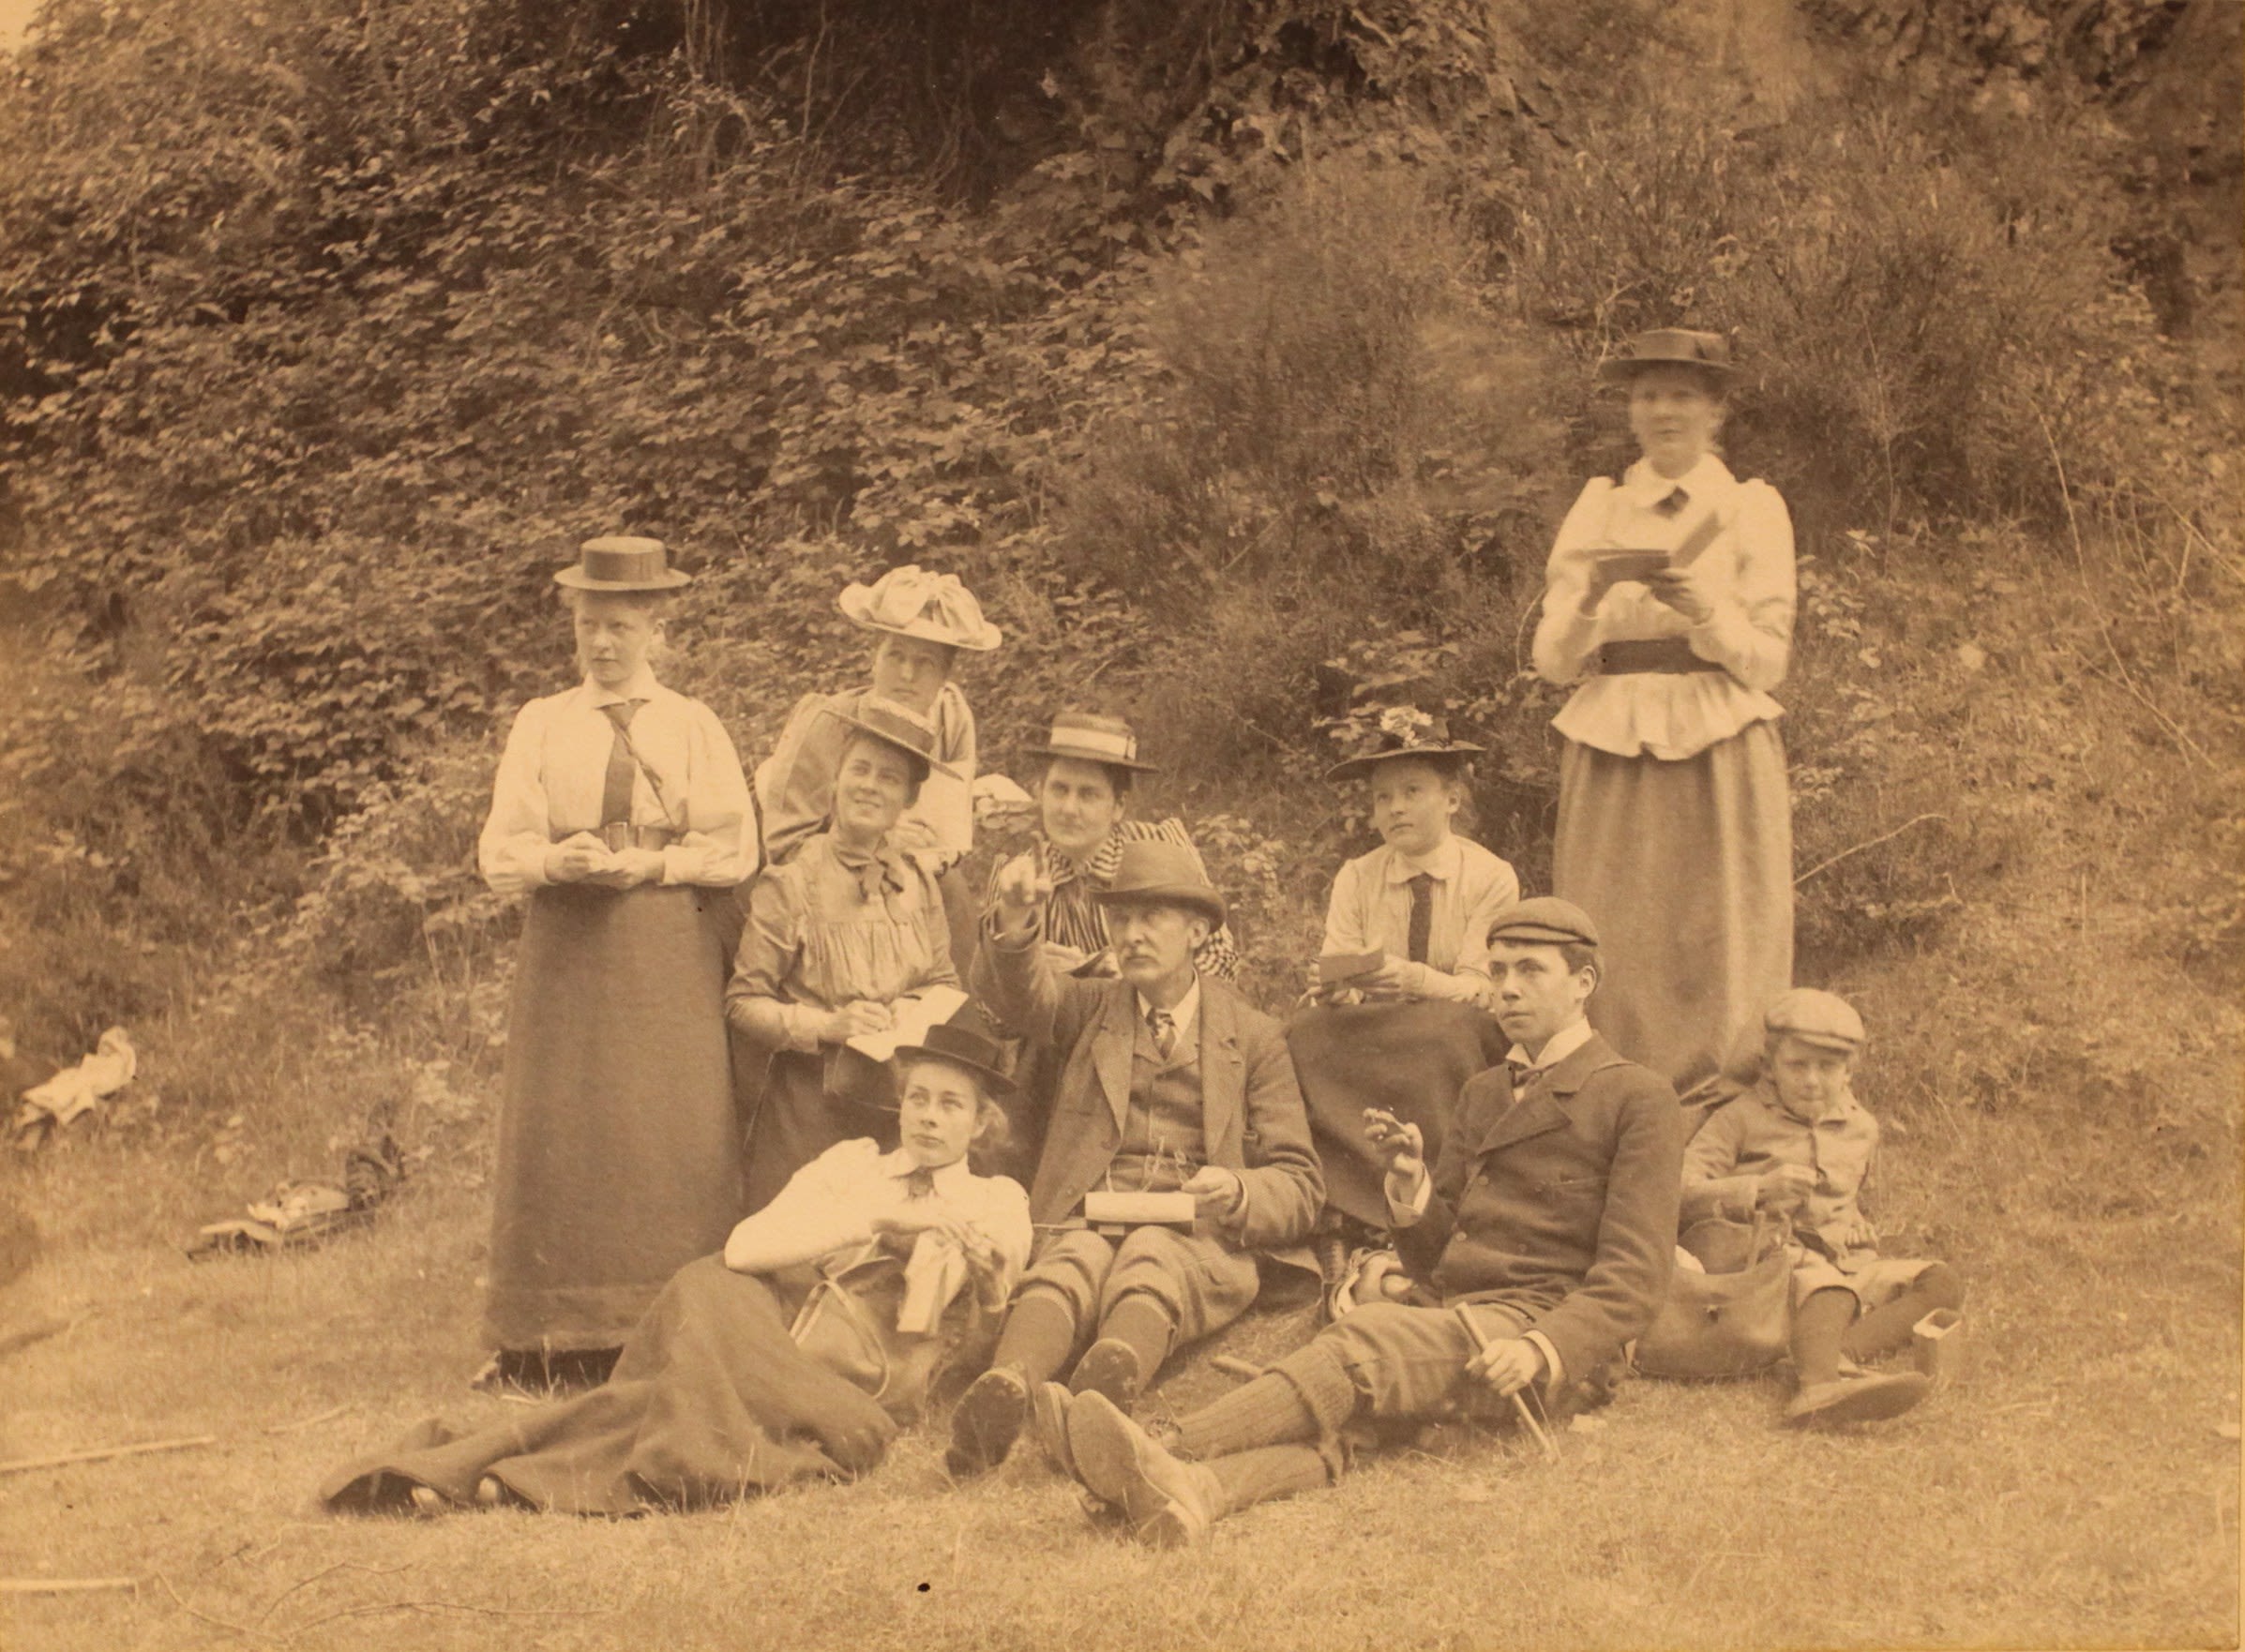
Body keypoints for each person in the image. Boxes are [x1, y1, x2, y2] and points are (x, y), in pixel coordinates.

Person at [1039, 899, 1682, 1546]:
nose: (1507, 988)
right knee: (1340, 1422)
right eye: (1498, 970)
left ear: (1584, 983)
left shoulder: (1636, 1097)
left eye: (1531, 971)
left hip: (1540, 1343)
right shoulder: (1484, 1092)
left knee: (1364, 1345)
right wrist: (1412, 1192)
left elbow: (1635, 1276)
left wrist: (1542, 1349)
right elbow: (1441, 1262)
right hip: (1456, 1314)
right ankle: (1197, 1493)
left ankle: (1159, 1450)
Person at [320, 1028, 1032, 1516]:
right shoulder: (853, 1166)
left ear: (981, 1125)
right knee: (706, 1285)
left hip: (847, 1394)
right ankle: (531, 1481)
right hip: (770, 1342)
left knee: (674, 1392)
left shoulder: (997, 1201)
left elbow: (989, 1317)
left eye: (951, 1104)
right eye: (917, 1098)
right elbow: (746, 1250)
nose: (929, 1118)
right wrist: (876, 1220)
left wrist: (975, 1264)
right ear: (898, 1103)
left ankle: (499, 1475)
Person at [474, 535, 757, 1388]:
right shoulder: (542, 723)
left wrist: (656, 864)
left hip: (665, 940)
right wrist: (554, 863)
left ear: (656, 630)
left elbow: (734, 845)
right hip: (569, 941)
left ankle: (671, 1329)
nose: (602, 643)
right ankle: (543, 1337)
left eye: (621, 626)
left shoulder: (692, 724)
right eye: (589, 625)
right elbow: (500, 845)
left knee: (665, 1129)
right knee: (563, 1128)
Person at [945, 841, 1323, 1478]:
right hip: (1092, 1210)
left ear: (1198, 932)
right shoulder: (1089, 1007)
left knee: (1151, 1259)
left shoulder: (1254, 1036)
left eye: (1153, 918)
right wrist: (1014, 921)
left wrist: (1237, 1190)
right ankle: (1007, 1388)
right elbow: (1022, 996)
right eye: (1121, 919)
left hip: (1196, 1232)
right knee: (1072, 1261)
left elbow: (1300, 1181)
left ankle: (1103, 1392)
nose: (1133, 935)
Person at [1532, 327, 1798, 1103]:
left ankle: (1727, 1102)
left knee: (1717, 926)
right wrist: (1586, 606)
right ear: (1629, 410)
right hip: (1612, 733)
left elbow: (1770, 660)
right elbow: (1553, 661)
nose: (1663, 411)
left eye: (1682, 394)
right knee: (1614, 922)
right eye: (1647, 395)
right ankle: (1607, 1095)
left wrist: (1705, 615)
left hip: (1719, 732)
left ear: (1716, 409)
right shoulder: (1599, 509)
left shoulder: (1750, 509)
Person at [969, 710, 1239, 1179]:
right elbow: (994, 1014)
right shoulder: (1020, 875)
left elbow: (1223, 961)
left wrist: (1113, 968)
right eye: (1059, 789)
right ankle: (1027, 1197)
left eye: (1089, 794)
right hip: (1061, 1062)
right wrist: (1031, 964)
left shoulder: (1158, 852)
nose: (1069, 808)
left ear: (1118, 807)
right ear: (1040, 794)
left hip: (1154, 1035)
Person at [1287, 708, 1518, 1249]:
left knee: (1445, 1035)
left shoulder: (1489, 878)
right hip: (1375, 1020)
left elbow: (1482, 986)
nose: (1395, 809)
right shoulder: (1358, 876)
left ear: (1452, 800)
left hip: (1460, 1023)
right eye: (1382, 798)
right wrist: (1335, 985)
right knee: (1301, 1034)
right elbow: (1339, 960)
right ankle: (1341, 1199)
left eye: (1412, 791)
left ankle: (1440, 1198)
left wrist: (1412, 979)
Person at [1680, 988, 1964, 1427]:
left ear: (1849, 1071)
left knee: (1939, 1282)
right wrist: (1758, 1188)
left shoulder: (1860, 1128)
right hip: (1768, 1265)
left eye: (1828, 1067)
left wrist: (1856, 1225)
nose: (1812, 1080)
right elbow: (1681, 1188)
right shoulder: (1738, 1118)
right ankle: (1816, 1389)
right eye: (1797, 1065)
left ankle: (1840, 1353)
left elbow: (1844, 1201)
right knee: (1824, 1283)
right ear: (1770, 1067)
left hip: (1843, 1264)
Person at [728, 698, 964, 1212]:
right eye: (858, 769)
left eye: (888, 778)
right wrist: (829, 1026)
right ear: (835, 779)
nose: (869, 786)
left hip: (898, 1110)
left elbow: (946, 980)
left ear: (908, 799)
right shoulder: (792, 881)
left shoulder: (920, 883)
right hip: (809, 1113)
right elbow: (744, 1003)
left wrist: (913, 1008)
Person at [755, 562, 996, 879]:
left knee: (955, 901)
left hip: (918, 873)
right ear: (875, 658)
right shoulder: (829, 720)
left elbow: (949, 833)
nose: (907, 675)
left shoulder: (951, 718)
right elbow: (785, 846)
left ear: (945, 675)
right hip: (824, 878)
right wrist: (875, 844)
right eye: (895, 656)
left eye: (925, 663)